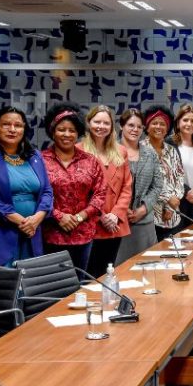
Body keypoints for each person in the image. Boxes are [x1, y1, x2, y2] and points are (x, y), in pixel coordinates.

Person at [0, 106, 53, 266]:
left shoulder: (34, 155)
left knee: (30, 276)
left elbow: (47, 191)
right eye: (6, 124)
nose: (12, 129)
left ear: (24, 130)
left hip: (31, 232)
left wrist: (37, 218)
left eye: (18, 125)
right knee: (0, 279)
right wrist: (20, 221)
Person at [41, 103, 106, 272]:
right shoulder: (39, 160)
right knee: (52, 283)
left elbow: (100, 194)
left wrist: (79, 217)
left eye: (72, 130)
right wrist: (58, 216)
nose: (67, 134)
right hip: (50, 234)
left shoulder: (90, 161)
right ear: (52, 131)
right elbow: (35, 194)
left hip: (83, 234)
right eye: (61, 129)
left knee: (80, 282)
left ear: (78, 133)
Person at [81, 105, 133, 277]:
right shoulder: (79, 150)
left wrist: (115, 214)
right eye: (97, 122)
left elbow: (127, 186)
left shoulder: (121, 151)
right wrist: (102, 216)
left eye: (106, 123)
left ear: (111, 126)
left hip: (114, 224)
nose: (101, 126)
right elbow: (81, 191)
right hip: (91, 222)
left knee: (109, 273)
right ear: (89, 123)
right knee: (90, 276)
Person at [116, 109, 163, 265]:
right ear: (121, 126)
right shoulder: (111, 151)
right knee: (119, 271)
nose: (135, 130)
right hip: (117, 223)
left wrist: (144, 208)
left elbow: (157, 185)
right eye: (131, 125)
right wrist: (122, 209)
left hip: (144, 223)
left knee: (149, 270)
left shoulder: (150, 153)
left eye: (139, 126)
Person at [143, 105, 185, 241]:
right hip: (149, 216)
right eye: (154, 123)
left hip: (173, 215)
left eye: (162, 124)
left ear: (167, 129)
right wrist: (167, 199)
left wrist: (172, 205)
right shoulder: (141, 149)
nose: (158, 127)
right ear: (147, 127)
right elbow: (145, 182)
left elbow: (180, 177)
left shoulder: (172, 150)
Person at [168, 104, 193, 227]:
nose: (189, 124)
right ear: (178, 123)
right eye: (185, 120)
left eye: (192, 121)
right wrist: (188, 192)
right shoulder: (169, 144)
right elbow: (169, 174)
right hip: (176, 203)